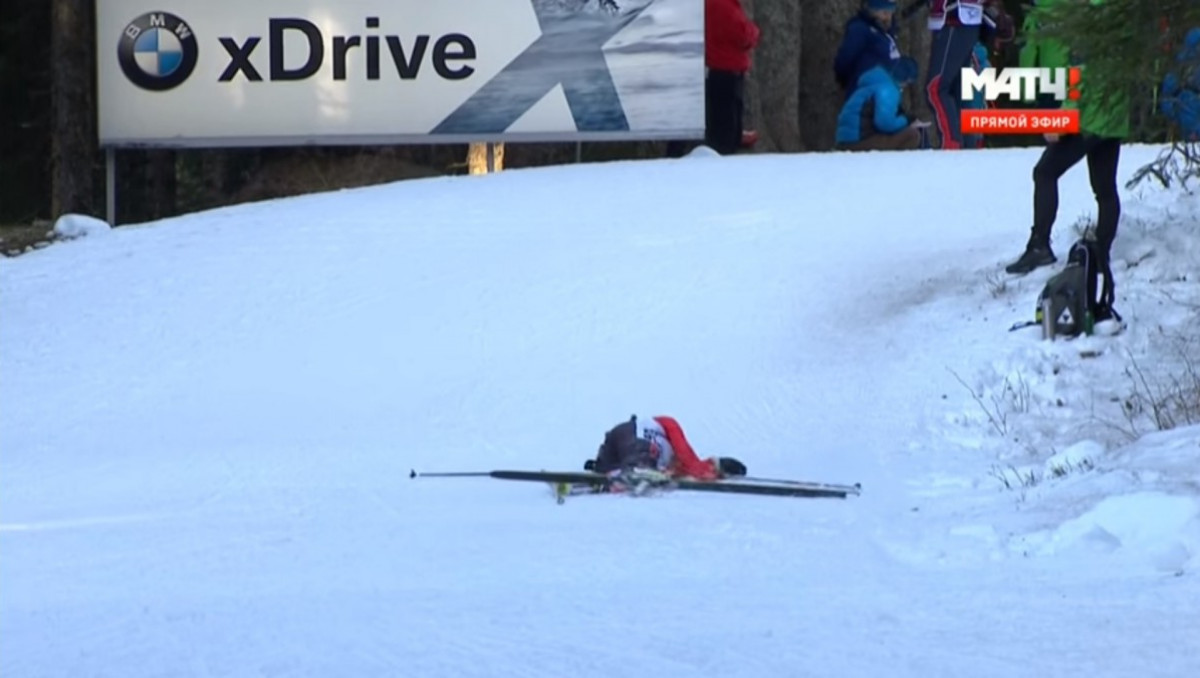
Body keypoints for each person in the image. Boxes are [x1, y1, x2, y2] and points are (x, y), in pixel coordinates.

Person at [1003, 1, 1130, 275]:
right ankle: (1102, 250)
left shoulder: (1090, 17)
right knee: (1105, 189)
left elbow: (1083, 75)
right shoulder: (1122, 17)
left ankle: (1040, 246)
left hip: (1087, 118)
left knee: (1045, 172)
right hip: (1114, 116)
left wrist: (1063, 119)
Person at [924, 0, 1012, 149]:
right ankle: (967, 145)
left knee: (936, 88)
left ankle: (951, 144)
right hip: (961, 18)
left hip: (956, 17)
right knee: (957, 89)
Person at [584, 414, 747, 481]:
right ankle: (636, 470)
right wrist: (715, 471)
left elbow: (683, 473)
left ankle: (604, 471)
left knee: (618, 464)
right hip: (636, 438)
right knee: (642, 456)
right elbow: (691, 462)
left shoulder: (670, 466)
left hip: (617, 443)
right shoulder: (668, 427)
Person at [835, 57, 932, 151]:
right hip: (859, 142)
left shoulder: (873, 84)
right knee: (913, 135)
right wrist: (907, 121)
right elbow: (884, 123)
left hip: (846, 141)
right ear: (905, 78)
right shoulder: (888, 89)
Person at [704, 0, 760, 155]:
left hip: (719, 68)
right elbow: (742, 34)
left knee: (724, 117)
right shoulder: (724, 5)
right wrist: (754, 32)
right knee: (727, 122)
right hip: (727, 69)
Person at [834, 1, 902, 101]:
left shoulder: (886, 33)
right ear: (873, 11)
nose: (888, 17)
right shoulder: (861, 29)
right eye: (884, 12)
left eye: (891, 13)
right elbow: (845, 58)